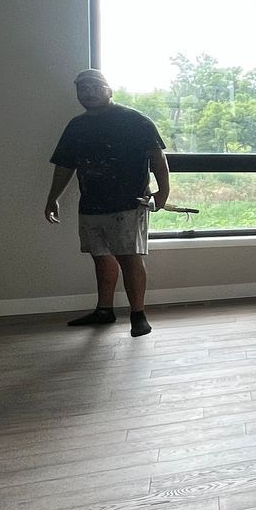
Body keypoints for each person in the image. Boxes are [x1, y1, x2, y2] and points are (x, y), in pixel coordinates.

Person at [44, 69, 169, 336]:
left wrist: (163, 192)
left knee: (129, 258)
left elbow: (158, 158)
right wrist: (53, 198)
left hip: (128, 204)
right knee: (100, 257)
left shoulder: (135, 121)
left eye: (94, 87)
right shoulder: (76, 126)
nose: (88, 93)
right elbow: (65, 166)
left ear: (109, 90)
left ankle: (138, 315)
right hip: (91, 203)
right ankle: (104, 310)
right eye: (82, 89)